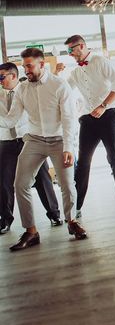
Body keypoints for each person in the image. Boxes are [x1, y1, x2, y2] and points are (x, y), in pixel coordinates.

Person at [0, 48, 87, 251]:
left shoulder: (59, 85)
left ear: (42, 64)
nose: (26, 70)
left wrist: (68, 147)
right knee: (20, 184)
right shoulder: (22, 89)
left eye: (29, 66)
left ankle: (72, 221)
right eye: (24, 66)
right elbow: (12, 118)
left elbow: (68, 119)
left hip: (58, 140)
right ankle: (31, 232)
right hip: (35, 140)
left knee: (66, 184)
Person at [57, 36, 115, 216]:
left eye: (72, 50)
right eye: (68, 51)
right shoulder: (76, 73)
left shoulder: (100, 61)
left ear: (82, 46)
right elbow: (64, 91)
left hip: (109, 114)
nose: (70, 54)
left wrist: (103, 106)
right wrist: (57, 74)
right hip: (87, 118)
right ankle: (76, 207)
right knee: (83, 161)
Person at [0, 62, 64, 235]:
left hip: (29, 139)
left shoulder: (28, 90)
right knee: (4, 182)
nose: (0, 81)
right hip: (6, 142)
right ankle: (5, 220)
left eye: (1, 77)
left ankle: (54, 214)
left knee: (42, 178)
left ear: (13, 75)